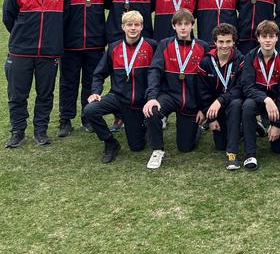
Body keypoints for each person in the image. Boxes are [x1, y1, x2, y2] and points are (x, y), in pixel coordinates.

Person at [4, 0, 70, 147]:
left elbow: (64, 20)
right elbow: (8, 18)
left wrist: (51, 40)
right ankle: (17, 131)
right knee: (17, 95)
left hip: (49, 54)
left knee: (45, 95)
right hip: (20, 52)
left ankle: (40, 131)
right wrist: (22, 38)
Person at [84, 11, 156, 162]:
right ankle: (110, 143)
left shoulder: (151, 46)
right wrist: (96, 92)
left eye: (136, 25)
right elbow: (98, 74)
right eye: (129, 25)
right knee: (90, 110)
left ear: (142, 27)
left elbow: (159, 75)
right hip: (117, 97)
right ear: (123, 27)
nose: (133, 28)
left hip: (138, 103)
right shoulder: (114, 47)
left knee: (137, 147)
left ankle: (141, 123)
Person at [143, 9, 210, 169]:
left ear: (192, 25)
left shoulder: (203, 46)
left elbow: (207, 80)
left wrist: (203, 108)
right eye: (179, 24)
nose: (183, 28)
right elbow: (155, 70)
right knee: (152, 110)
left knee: (185, 148)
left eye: (187, 24)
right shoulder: (165, 44)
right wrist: (152, 96)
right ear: (174, 26)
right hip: (170, 96)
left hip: (191, 101)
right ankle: (157, 150)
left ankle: (196, 129)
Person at [55, 0, 110, 137]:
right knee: (68, 83)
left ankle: (88, 118)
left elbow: (113, 5)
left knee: (91, 83)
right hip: (70, 44)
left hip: (95, 44)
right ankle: (65, 119)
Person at [240, 20, 280, 170]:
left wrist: (277, 124)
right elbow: (247, 87)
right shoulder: (250, 57)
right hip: (259, 100)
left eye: (271, 36)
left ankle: (270, 125)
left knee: (279, 149)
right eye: (264, 36)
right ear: (258, 38)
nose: (268, 40)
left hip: (278, 104)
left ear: (277, 37)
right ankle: (250, 154)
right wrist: (265, 98)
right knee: (248, 105)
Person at [197, 23, 245, 170]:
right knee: (219, 145)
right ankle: (248, 127)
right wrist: (211, 118)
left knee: (236, 103)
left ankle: (232, 155)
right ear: (215, 42)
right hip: (214, 108)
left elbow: (240, 89)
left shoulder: (241, 60)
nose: (224, 45)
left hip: (233, 103)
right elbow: (202, 91)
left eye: (228, 41)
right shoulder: (206, 62)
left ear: (234, 42)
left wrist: (221, 99)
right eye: (221, 42)